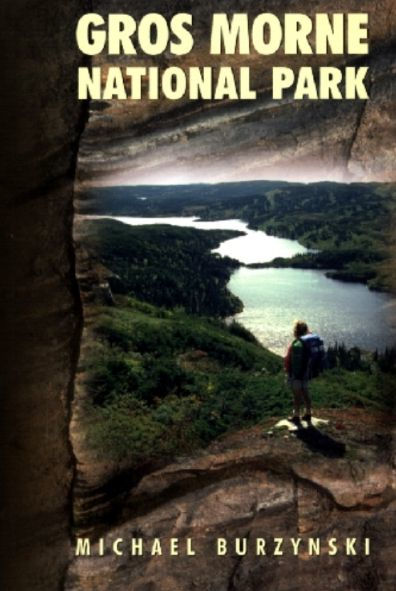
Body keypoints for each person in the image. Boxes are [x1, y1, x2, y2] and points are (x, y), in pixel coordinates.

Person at [284, 320, 313, 425]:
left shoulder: (295, 344)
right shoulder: (307, 344)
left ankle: (296, 415)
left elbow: (289, 359)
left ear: (295, 331)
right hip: (305, 373)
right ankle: (308, 413)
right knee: (305, 393)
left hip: (295, 374)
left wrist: (289, 370)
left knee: (296, 396)